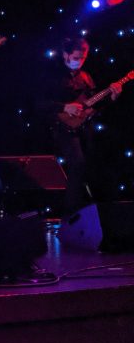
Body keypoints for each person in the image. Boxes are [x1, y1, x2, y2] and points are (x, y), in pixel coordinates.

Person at [39, 36, 121, 214]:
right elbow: (38, 104)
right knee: (77, 164)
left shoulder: (85, 76)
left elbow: (93, 106)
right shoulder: (51, 75)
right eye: (76, 57)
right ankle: (70, 213)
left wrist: (111, 98)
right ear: (65, 55)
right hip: (59, 128)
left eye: (83, 58)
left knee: (94, 164)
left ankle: (94, 211)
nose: (80, 61)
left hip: (84, 128)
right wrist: (64, 107)